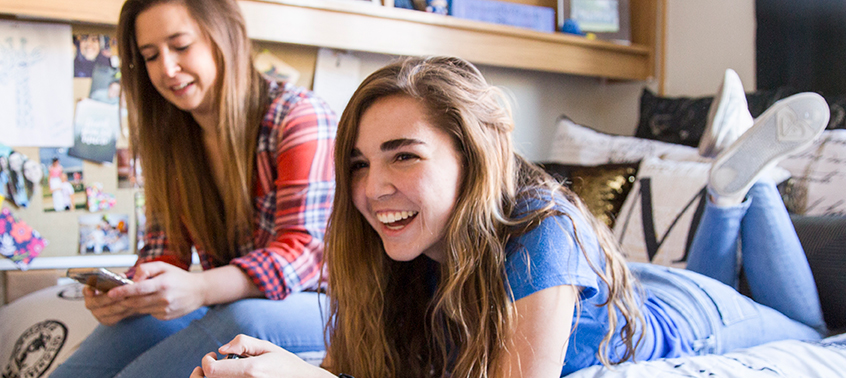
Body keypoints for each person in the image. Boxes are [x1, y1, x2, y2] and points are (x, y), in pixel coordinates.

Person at [191, 57, 829, 378]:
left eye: (404, 156)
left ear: (473, 157)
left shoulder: (539, 225)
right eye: (358, 164)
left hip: (689, 314)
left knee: (809, 326)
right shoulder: (396, 254)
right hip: (619, 286)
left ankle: (734, 193)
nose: (372, 189)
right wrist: (281, 365)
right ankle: (726, 191)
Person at [50, 0, 336, 376]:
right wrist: (129, 295)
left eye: (181, 46)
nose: (167, 68)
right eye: (150, 56)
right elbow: (164, 252)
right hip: (230, 301)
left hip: (322, 306)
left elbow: (303, 252)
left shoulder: (299, 116)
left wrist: (200, 288)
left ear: (225, 37)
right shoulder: (172, 141)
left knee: (242, 317)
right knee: (131, 327)